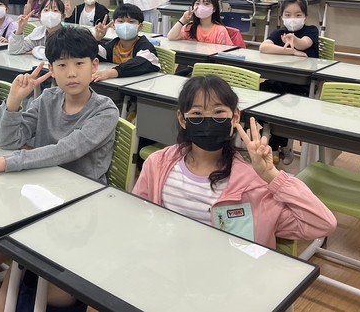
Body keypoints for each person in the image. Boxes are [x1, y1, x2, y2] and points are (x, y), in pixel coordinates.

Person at [0, 28, 119, 312]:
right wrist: (14, 101)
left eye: (79, 63)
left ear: (94, 66)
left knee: (14, 278)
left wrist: (4, 163)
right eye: (62, 65)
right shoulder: (48, 98)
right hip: (35, 200)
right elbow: (8, 140)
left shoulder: (105, 111)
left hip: (75, 214)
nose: (71, 73)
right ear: (52, 69)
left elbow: (65, 150)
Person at [133, 75, 337, 248]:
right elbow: (137, 215)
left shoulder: (255, 187)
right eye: (196, 113)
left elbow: (323, 223)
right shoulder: (157, 165)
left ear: (235, 117)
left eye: (218, 112)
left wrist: (272, 176)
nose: (208, 121)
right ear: (182, 119)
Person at [258, 0, 320, 163]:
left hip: (301, 86)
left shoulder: (311, 31)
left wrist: (294, 41)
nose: (292, 18)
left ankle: (277, 143)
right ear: (281, 17)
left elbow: (304, 44)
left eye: (298, 15)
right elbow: (263, 47)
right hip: (278, 82)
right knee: (259, 97)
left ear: (305, 17)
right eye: (288, 14)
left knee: (285, 105)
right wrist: (290, 51)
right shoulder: (280, 32)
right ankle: (281, 142)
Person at [92, 3, 160, 81]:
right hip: (119, 83)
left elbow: (139, 63)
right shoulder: (112, 45)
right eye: (121, 21)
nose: (125, 26)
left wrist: (109, 73)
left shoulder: (146, 47)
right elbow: (89, 54)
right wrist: (96, 39)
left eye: (131, 22)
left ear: (140, 27)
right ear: (113, 25)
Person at [167, 0, 240, 45]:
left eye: (206, 4)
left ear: (214, 9)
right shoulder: (190, 28)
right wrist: (183, 19)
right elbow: (171, 37)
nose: (201, 7)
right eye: (197, 3)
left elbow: (225, 53)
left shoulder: (220, 31)